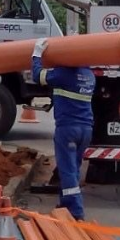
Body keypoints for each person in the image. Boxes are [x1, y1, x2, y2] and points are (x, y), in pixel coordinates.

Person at [30, 37, 96, 221]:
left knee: (67, 170)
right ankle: (66, 204)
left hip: (68, 129)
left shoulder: (63, 74)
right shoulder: (89, 75)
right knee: (73, 168)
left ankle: (75, 210)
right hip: (85, 129)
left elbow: (38, 76)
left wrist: (36, 55)